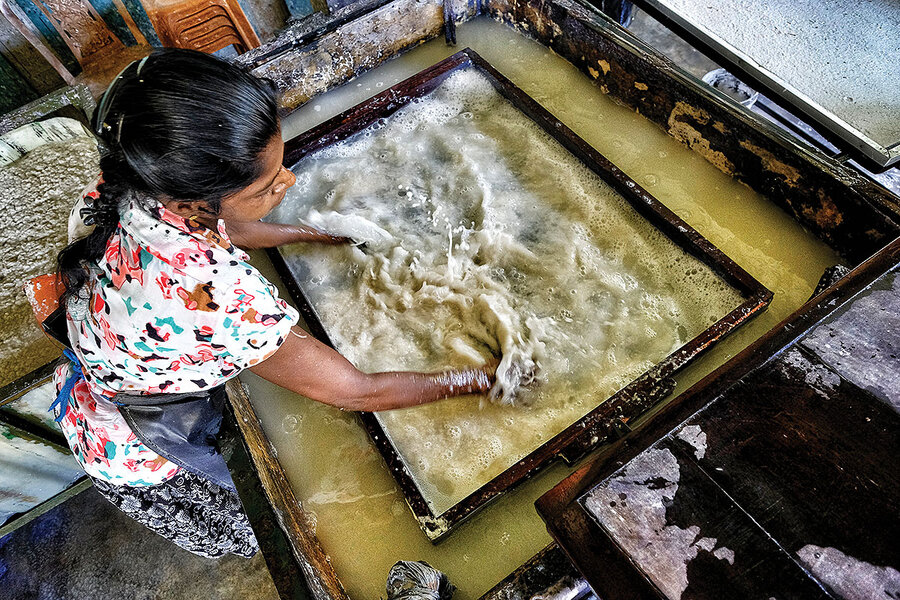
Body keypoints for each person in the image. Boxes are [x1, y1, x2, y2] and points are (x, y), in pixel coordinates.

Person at [52, 49, 497, 559]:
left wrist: (311, 234)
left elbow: (223, 225)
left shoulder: (125, 182)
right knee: (258, 530)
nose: (286, 182)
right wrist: (479, 378)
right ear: (195, 198)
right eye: (267, 185)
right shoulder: (219, 296)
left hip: (102, 366)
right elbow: (354, 391)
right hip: (136, 449)